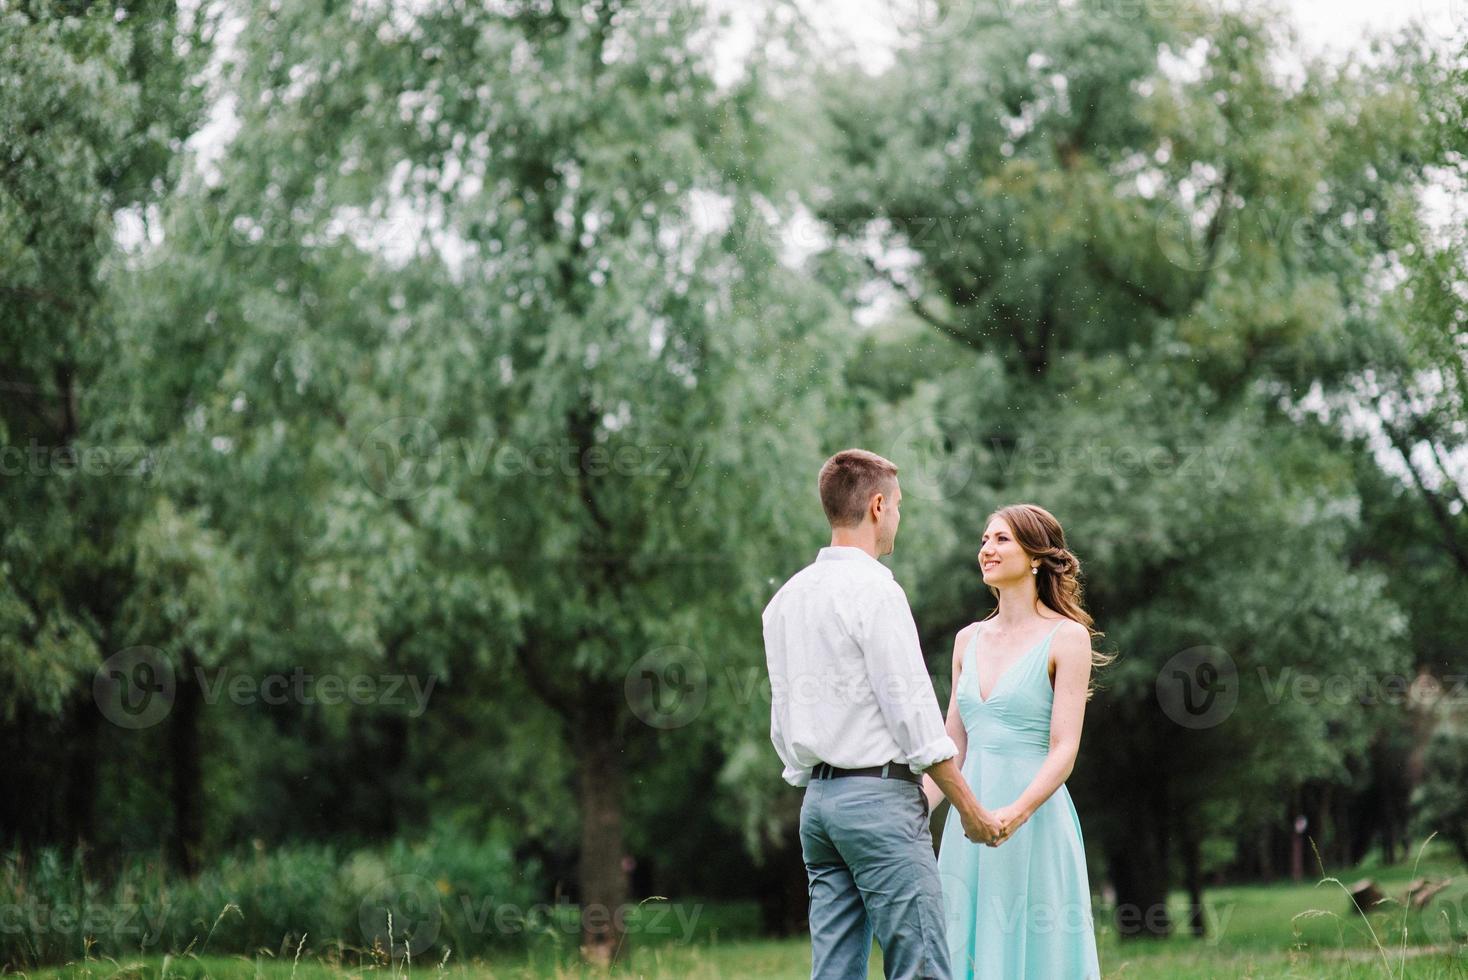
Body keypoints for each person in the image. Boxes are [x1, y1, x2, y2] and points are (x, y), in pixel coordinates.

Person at [764, 448, 1003, 980]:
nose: (898, 516)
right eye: (897, 505)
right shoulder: (876, 590)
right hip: (878, 805)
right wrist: (970, 809)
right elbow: (915, 719)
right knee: (920, 967)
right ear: (877, 506)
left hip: (818, 807)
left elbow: (784, 718)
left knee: (834, 972)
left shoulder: (784, 600)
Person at [923, 503, 1107, 979]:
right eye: (985, 539)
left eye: (1002, 539)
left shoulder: (1068, 638)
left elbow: (1064, 748)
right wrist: (914, 809)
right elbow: (952, 744)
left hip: (1035, 819)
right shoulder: (968, 640)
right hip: (970, 818)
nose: (987, 549)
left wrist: (1016, 813)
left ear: (1036, 557)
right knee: (966, 947)